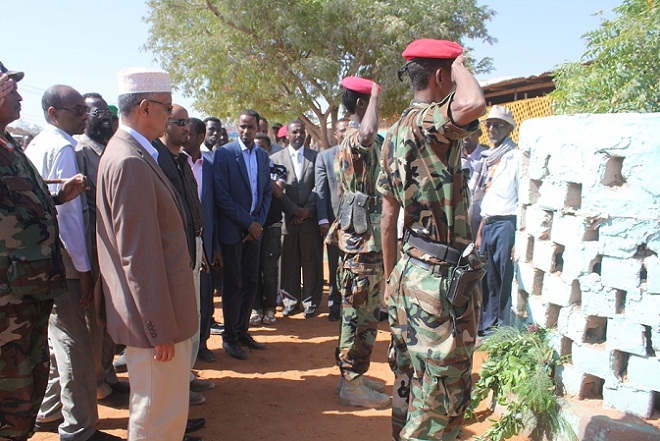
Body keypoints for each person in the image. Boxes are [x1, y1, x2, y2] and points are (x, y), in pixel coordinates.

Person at [378, 39, 486, 440]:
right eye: (450, 76)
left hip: (408, 271)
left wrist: (390, 279)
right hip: (439, 280)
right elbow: (474, 103)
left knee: (409, 379)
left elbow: (387, 218)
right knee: (442, 394)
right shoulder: (429, 121)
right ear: (440, 76)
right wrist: (459, 64)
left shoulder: (393, 133)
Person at [96, 67, 198, 441]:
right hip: (155, 324)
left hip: (160, 317)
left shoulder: (134, 153)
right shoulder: (129, 161)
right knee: (157, 417)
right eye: (167, 108)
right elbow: (138, 257)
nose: (171, 116)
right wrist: (159, 329)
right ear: (144, 107)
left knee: (163, 414)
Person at [27, 85, 120, 441]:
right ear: (54, 113)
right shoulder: (64, 148)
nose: (84, 116)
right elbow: (70, 218)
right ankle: (79, 429)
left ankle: (48, 413)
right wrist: (83, 270)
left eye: (85, 109)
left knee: (59, 340)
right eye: (77, 110)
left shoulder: (37, 144)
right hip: (65, 262)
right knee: (75, 346)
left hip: (40, 260)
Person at [0, 65, 86, 441]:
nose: (20, 97)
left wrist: (57, 198)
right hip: (7, 303)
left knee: (27, 393)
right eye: (9, 90)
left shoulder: (9, 144)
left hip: (30, 295)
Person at [326, 77, 390, 408]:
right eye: (372, 101)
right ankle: (351, 383)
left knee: (366, 314)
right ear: (362, 104)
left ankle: (354, 377)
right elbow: (367, 134)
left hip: (369, 240)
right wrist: (375, 97)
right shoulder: (355, 137)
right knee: (358, 314)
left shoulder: (369, 140)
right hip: (360, 244)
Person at [151, 105, 215, 411]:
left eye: (187, 122)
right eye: (180, 122)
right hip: (175, 254)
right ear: (165, 123)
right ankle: (176, 387)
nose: (186, 128)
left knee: (194, 316)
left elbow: (193, 208)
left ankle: (186, 376)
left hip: (194, 246)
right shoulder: (156, 159)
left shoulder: (181, 160)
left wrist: (200, 248)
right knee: (178, 321)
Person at [74, 92, 129, 406]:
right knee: (94, 319)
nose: (105, 117)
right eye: (97, 112)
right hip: (94, 249)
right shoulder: (80, 152)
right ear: (85, 116)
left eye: (108, 112)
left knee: (112, 314)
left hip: (115, 247)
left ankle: (108, 372)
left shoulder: (111, 149)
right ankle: (96, 382)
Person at [212, 109, 272, 360]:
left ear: (258, 128)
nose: (246, 131)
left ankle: (242, 330)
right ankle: (230, 337)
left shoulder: (262, 156)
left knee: (250, 282)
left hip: (254, 232)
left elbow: (266, 193)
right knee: (233, 284)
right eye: (242, 126)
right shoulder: (224, 154)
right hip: (233, 230)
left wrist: (257, 224)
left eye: (250, 127)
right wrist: (248, 223)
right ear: (237, 127)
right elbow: (222, 196)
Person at [473, 105, 520, 337]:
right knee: (488, 279)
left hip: (506, 225)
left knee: (503, 279)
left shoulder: (515, 157)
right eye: (489, 125)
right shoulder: (488, 158)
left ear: (508, 129)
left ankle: (502, 330)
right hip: (489, 224)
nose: (491, 129)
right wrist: (480, 232)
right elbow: (486, 200)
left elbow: (523, 198)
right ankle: (487, 327)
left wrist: (517, 238)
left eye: (498, 125)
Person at [271, 120, 323, 318]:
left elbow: (319, 186)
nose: (298, 135)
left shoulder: (316, 157)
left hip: (310, 220)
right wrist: (293, 210)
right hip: (288, 219)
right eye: (294, 132)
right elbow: (277, 190)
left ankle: (310, 302)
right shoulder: (276, 158)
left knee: (311, 262)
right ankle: (291, 302)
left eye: (301, 132)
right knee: (288, 263)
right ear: (287, 135)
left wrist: (306, 211)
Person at [183, 117, 218, 363]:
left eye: (189, 134)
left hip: (206, 241)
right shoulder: (174, 163)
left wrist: (215, 247)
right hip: (182, 241)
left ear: (201, 137)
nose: (185, 137)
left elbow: (216, 208)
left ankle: (202, 343)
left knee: (205, 295)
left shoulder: (211, 166)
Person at [250, 133, 286, 326]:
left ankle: (270, 308)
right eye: (255, 148)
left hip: (272, 225)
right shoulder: (246, 168)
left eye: (262, 148)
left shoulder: (278, 169)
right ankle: (256, 309)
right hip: (252, 226)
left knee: (270, 269)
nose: (258, 151)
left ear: (269, 150)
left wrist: (262, 171)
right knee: (253, 268)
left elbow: (278, 191)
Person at [315, 118, 349, 322]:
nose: (345, 133)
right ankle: (335, 305)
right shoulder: (325, 157)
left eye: (349, 129)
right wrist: (323, 220)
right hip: (335, 223)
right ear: (335, 134)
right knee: (336, 265)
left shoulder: (362, 153)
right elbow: (321, 191)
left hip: (359, 223)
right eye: (341, 130)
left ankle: (352, 305)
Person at [462, 127, 488, 235]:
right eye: (463, 132)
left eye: (470, 132)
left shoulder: (487, 158)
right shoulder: (453, 157)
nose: (465, 136)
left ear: (479, 133)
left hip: (478, 219)